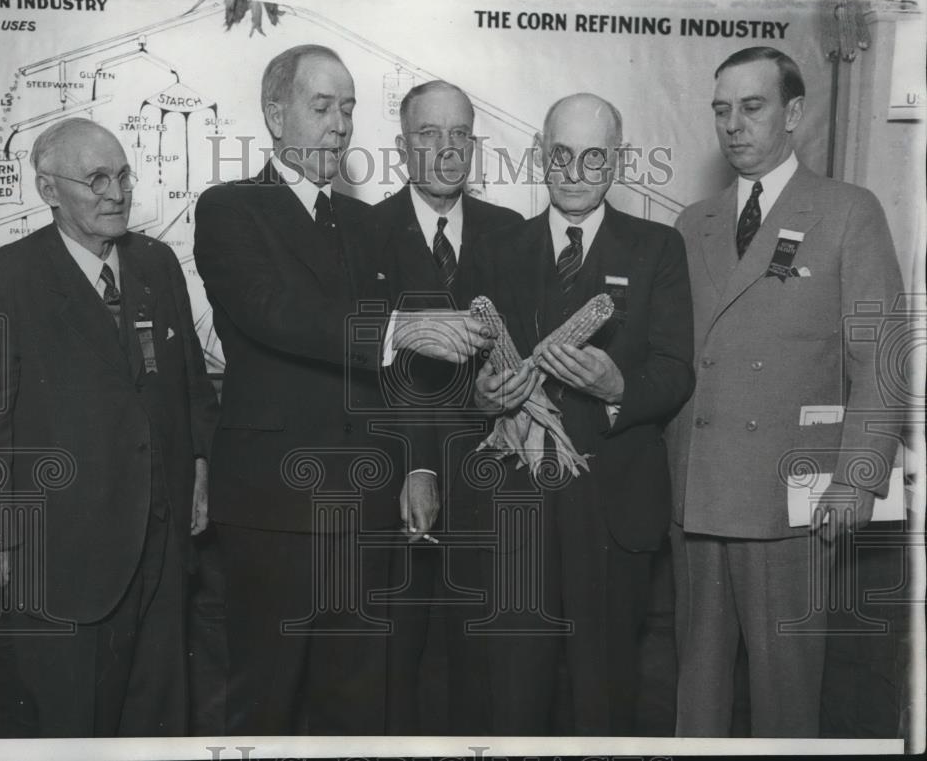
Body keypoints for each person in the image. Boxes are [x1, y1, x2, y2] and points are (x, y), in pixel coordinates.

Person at [192, 44, 492, 735]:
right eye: (321, 106)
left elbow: (403, 378)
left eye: (348, 108)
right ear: (274, 113)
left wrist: (417, 463)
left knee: (358, 706)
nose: (339, 124)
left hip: (367, 505)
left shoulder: (366, 224)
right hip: (274, 506)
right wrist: (400, 327)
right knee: (264, 701)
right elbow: (273, 313)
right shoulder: (230, 208)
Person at [668, 46, 905, 737]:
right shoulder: (694, 221)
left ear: (794, 112)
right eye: (721, 110)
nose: (733, 125)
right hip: (698, 494)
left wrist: (858, 479)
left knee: (786, 705)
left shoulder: (847, 212)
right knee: (697, 698)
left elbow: (882, 358)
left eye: (752, 106)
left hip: (792, 501)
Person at [0, 117, 219, 737]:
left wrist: (201, 469)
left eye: (123, 175)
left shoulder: (156, 263)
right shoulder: (1, 282)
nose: (116, 193)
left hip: (161, 541)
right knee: (73, 726)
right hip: (61, 557)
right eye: (96, 179)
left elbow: (191, 388)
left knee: (159, 722)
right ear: (49, 190)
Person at [466, 93, 695, 735]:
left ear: (617, 162)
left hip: (612, 506)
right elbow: (461, 377)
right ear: (540, 155)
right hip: (516, 505)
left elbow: (676, 370)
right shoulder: (496, 249)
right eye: (561, 154)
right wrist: (483, 396)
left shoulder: (658, 248)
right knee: (513, 695)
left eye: (593, 156)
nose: (574, 170)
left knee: (606, 696)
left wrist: (619, 384)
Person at [369, 79, 523, 734]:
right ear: (402, 148)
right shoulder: (364, 231)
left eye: (460, 133)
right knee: (391, 672)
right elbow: (358, 368)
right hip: (394, 484)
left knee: (481, 672)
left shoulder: (511, 232)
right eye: (430, 134)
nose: (448, 148)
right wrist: (417, 463)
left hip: (489, 487)